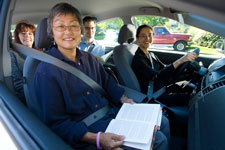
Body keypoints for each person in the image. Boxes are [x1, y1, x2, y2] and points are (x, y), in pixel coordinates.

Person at [34, 3, 170, 150]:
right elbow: (57, 124)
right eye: (60, 26)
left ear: (80, 30)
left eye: (74, 25)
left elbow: (108, 84)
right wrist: (97, 139)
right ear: (51, 33)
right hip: (87, 131)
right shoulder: (46, 71)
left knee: (162, 121)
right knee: (158, 141)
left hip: (112, 114)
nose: (68, 32)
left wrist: (124, 99)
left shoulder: (89, 59)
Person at [132, 24, 199, 106]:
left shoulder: (151, 54)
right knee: (194, 98)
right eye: (143, 36)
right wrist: (181, 60)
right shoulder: (138, 59)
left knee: (190, 87)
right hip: (155, 95)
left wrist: (182, 63)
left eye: (150, 35)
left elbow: (164, 68)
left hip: (163, 87)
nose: (147, 38)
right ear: (137, 39)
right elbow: (156, 77)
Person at [10, 20, 39, 104]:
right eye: (23, 33)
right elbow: (18, 84)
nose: (27, 36)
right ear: (17, 36)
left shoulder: (41, 54)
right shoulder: (14, 55)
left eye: (30, 34)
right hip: (28, 96)